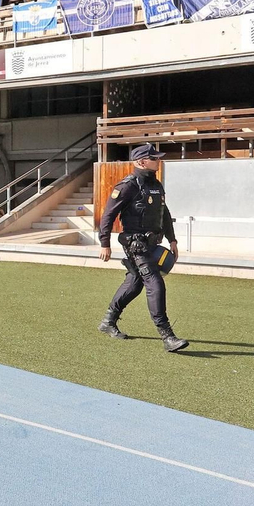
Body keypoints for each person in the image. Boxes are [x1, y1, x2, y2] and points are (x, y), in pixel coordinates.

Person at [97, 144, 188, 352]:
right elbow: (108, 216)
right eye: (154, 158)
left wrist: (172, 239)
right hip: (135, 245)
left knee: (135, 283)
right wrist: (105, 243)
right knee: (154, 282)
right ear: (141, 162)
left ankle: (108, 321)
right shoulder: (127, 186)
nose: (158, 161)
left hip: (153, 243)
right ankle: (167, 336)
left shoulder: (156, 185)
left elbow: (164, 213)